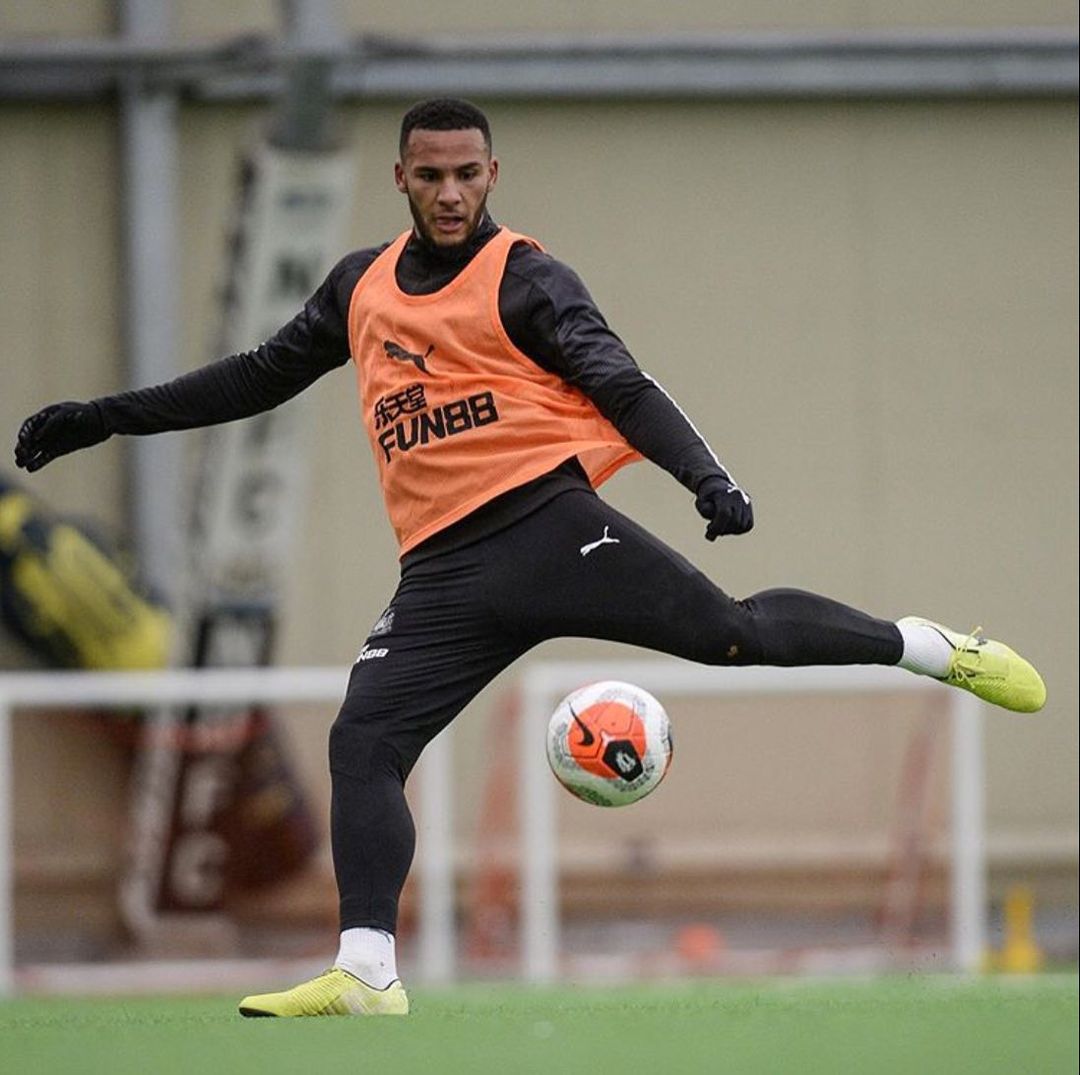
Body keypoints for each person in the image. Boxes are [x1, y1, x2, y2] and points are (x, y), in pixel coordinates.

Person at [14, 98, 1045, 1017]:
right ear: (401, 177)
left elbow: (621, 381)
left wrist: (706, 477)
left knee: (735, 635)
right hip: (442, 576)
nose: (450, 192)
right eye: (431, 175)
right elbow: (254, 376)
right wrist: (104, 416)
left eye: (468, 174)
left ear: (492, 174)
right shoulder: (360, 286)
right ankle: (367, 970)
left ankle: (929, 646)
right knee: (364, 741)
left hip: (551, 530)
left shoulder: (525, 278)